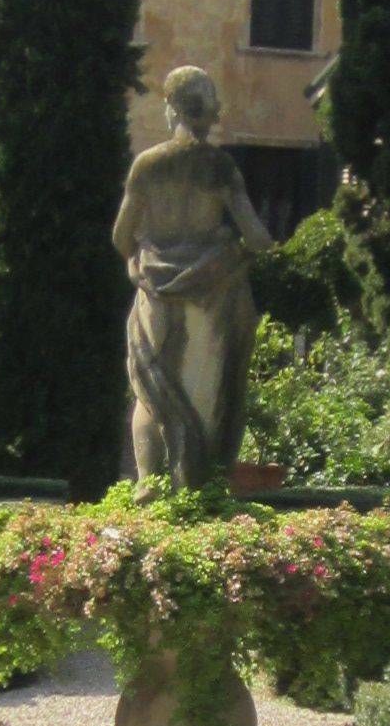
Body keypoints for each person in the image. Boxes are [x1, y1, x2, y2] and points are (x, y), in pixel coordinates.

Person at [113, 66, 272, 487]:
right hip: (213, 294)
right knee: (209, 398)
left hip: (156, 291)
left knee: (150, 391)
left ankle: (148, 481)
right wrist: (228, 243)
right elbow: (257, 237)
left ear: (171, 109)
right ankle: (203, 485)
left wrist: (144, 251)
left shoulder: (148, 165)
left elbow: (120, 236)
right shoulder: (221, 168)